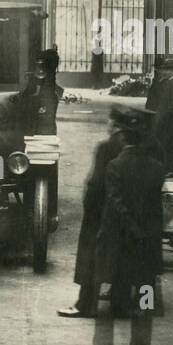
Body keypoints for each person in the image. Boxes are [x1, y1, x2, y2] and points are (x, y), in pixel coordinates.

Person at [72, 106, 164, 345]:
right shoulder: (157, 169)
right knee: (145, 300)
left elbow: (115, 206)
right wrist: (147, 236)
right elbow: (158, 210)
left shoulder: (115, 167)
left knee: (105, 298)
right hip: (147, 251)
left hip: (116, 250)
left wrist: (130, 230)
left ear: (124, 136)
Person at [58, 115, 126, 318]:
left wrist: (89, 206)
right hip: (125, 212)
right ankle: (122, 305)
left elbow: (96, 182)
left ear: (114, 125)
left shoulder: (105, 147)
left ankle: (86, 304)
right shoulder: (135, 147)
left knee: (90, 258)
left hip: (100, 212)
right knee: (121, 256)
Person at [146, 58, 173, 176]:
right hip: (168, 121)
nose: (164, 72)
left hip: (171, 122)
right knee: (167, 144)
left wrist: (163, 116)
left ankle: (171, 169)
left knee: (169, 144)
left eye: (167, 69)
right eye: (164, 69)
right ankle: (170, 168)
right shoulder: (170, 82)